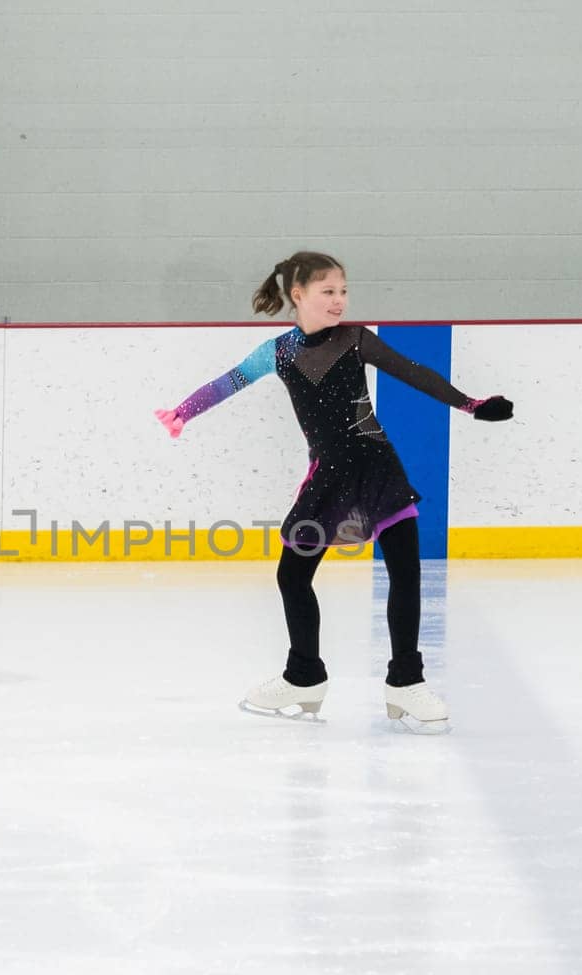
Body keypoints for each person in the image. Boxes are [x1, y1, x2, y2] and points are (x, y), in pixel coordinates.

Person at [154, 251, 513, 732]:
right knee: (292, 575)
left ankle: (406, 682)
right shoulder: (276, 352)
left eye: (344, 290)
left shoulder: (355, 339)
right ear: (297, 295)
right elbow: (228, 383)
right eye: (328, 291)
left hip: (379, 468)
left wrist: (471, 405)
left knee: (404, 571)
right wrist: (182, 412)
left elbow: (414, 373)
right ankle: (304, 676)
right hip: (327, 477)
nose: (339, 300)